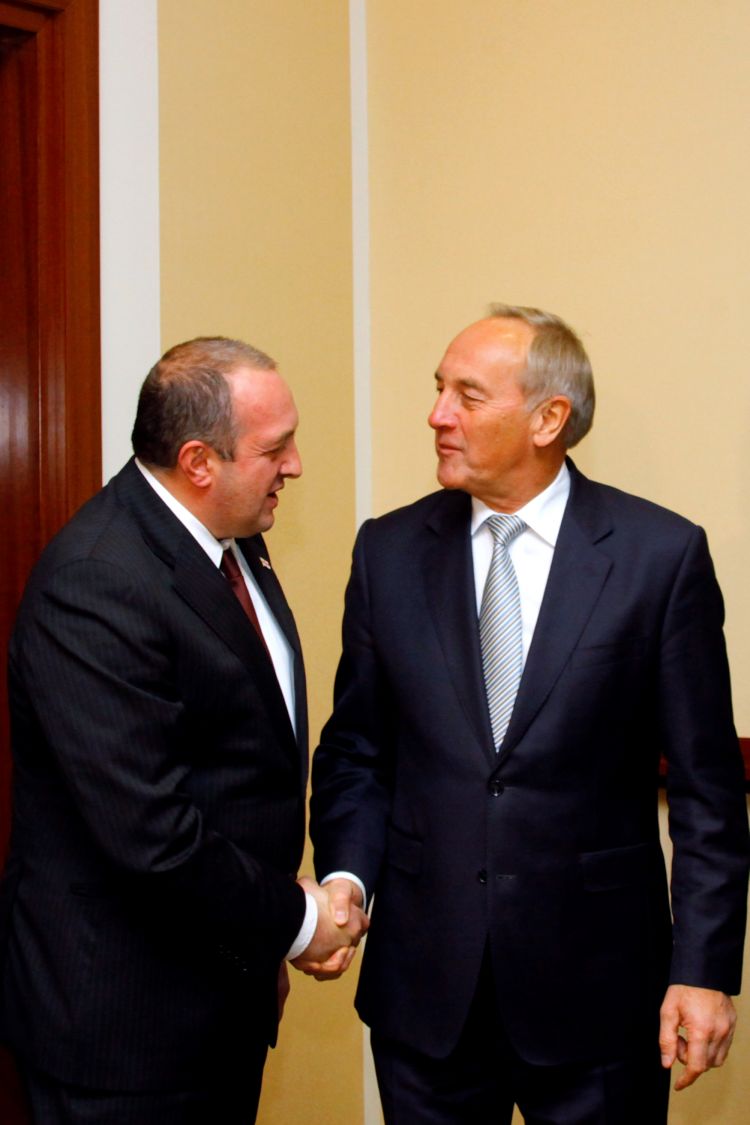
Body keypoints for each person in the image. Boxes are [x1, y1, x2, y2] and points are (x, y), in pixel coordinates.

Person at [308, 306, 749, 1123]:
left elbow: (708, 790)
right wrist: (346, 877)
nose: (437, 414)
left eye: (467, 395)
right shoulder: (388, 552)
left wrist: (703, 968)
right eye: (438, 389)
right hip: (426, 996)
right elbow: (357, 753)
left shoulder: (658, 557)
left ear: (549, 419)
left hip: (601, 997)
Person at [0, 337, 367, 1125]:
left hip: (219, 999)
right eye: (275, 448)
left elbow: (240, 764)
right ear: (199, 461)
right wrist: (299, 921)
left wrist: (263, 938)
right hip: (125, 1034)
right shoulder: (97, 581)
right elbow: (152, 834)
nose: (296, 465)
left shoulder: (233, 538)